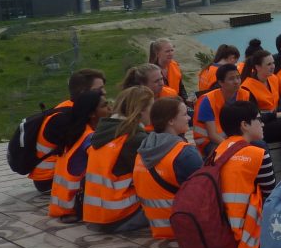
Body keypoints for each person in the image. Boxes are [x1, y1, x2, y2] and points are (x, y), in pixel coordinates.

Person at [83, 86, 153, 232]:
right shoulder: (133, 138)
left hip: (97, 216)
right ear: (141, 110)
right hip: (121, 215)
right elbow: (156, 176)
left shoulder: (104, 132)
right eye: (152, 106)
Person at [133, 96, 204, 239]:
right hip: (184, 226)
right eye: (184, 114)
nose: (189, 118)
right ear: (171, 121)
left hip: (156, 226)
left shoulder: (143, 150)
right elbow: (205, 193)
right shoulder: (184, 153)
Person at [215, 101, 276, 248]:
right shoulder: (257, 154)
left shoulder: (218, 150)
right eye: (258, 119)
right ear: (245, 125)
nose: (262, 123)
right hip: (244, 231)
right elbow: (271, 197)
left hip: (218, 225)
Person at [29, 68, 106, 192]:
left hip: (49, 176)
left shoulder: (67, 107)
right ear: (83, 92)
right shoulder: (70, 117)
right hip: (50, 180)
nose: (104, 92)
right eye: (98, 90)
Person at [49, 89, 112, 218]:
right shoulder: (90, 139)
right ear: (92, 114)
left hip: (61, 204)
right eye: (104, 106)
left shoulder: (75, 133)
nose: (110, 108)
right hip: (74, 207)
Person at [191, 63, 249, 155]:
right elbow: (212, 135)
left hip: (234, 138)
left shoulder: (244, 95)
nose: (236, 81)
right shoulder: (208, 100)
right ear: (220, 82)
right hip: (209, 141)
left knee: (259, 145)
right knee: (226, 154)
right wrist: (232, 146)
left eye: (238, 77)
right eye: (231, 79)